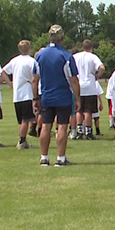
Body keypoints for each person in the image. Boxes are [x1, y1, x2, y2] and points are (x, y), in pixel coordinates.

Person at [32, 25, 81, 166]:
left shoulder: (39, 56)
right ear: (62, 38)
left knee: (46, 126)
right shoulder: (66, 56)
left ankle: (44, 157)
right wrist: (78, 99)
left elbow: (35, 79)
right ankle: (60, 158)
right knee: (62, 127)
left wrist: (35, 98)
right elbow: (74, 80)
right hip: (63, 96)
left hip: (46, 96)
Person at [3, 40, 39, 149]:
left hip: (17, 94)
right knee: (26, 119)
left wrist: (10, 84)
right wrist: (35, 97)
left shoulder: (14, 60)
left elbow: (3, 71)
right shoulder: (32, 61)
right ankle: (22, 141)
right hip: (26, 92)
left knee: (21, 120)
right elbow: (34, 78)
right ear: (29, 48)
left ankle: (23, 140)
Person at [72, 39, 105, 140]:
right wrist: (97, 76)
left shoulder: (76, 56)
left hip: (78, 85)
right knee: (88, 111)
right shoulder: (93, 57)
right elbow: (102, 68)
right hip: (89, 86)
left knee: (79, 110)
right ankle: (89, 132)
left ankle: (79, 131)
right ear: (91, 48)